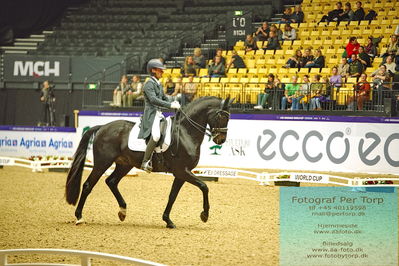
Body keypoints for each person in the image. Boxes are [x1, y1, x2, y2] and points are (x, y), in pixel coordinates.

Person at [138, 59, 181, 173]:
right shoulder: (148, 84)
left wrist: (174, 102)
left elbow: (164, 98)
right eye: (160, 70)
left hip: (159, 114)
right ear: (153, 70)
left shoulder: (158, 84)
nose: (162, 72)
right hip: (151, 114)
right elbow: (153, 100)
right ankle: (145, 162)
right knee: (156, 136)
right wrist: (169, 105)